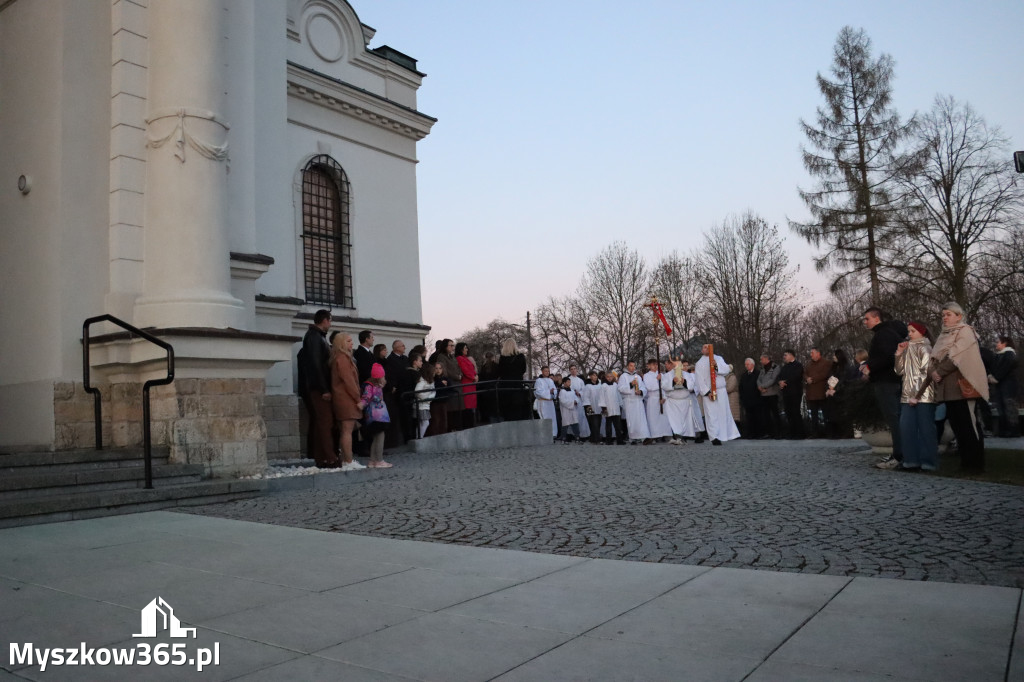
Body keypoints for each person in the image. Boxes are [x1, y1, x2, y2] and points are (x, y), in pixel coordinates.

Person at [918, 302, 989, 472]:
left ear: (959, 316)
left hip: (963, 385)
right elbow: (935, 357)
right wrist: (933, 371)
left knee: (968, 425)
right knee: (957, 426)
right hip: (947, 388)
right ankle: (965, 462)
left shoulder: (965, 331)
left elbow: (957, 355)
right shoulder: (944, 335)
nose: (945, 317)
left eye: (949, 314)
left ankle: (975, 463)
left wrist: (939, 371)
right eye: (943, 315)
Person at [862, 307, 909, 468]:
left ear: (877, 318)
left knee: (894, 419)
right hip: (894, 380)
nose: (865, 322)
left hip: (886, 381)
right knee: (897, 418)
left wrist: (870, 367)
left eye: (867, 318)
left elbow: (888, 356)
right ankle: (902, 453)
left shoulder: (883, 334)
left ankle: (899, 456)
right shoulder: (891, 333)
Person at [297, 309, 339, 468]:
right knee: (324, 422)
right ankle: (329, 457)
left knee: (321, 422)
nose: (331, 323)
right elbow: (315, 365)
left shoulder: (316, 337)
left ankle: (321, 457)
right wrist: (324, 389)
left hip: (317, 386)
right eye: (330, 320)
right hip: (317, 388)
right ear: (325, 320)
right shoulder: (314, 337)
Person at [895, 322, 937, 472]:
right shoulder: (908, 349)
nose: (910, 334)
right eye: (909, 331)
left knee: (926, 429)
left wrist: (917, 396)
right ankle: (911, 461)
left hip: (923, 396)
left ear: (922, 332)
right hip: (907, 396)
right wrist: (899, 354)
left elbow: (926, 374)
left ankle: (928, 463)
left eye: (913, 331)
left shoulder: (925, 348)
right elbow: (899, 371)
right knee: (906, 428)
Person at [329, 333, 366, 471]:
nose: (352, 343)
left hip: (343, 398)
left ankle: (346, 459)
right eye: (349, 341)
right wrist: (358, 399)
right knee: (347, 431)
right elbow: (349, 381)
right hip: (346, 399)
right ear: (341, 343)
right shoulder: (343, 359)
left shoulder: (339, 357)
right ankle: (348, 461)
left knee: (345, 430)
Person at [693, 345, 740, 445]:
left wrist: (716, 366)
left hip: (721, 390)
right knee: (711, 415)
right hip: (709, 392)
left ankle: (726, 434)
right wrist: (706, 392)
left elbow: (726, 369)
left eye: (707, 347)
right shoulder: (699, 363)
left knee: (723, 412)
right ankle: (714, 436)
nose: (706, 349)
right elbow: (699, 380)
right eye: (704, 348)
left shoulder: (718, 358)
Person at [360, 363, 393, 468]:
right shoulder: (371, 386)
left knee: (376, 438)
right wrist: (360, 405)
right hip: (378, 416)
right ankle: (379, 460)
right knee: (380, 437)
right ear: (379, 377)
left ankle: (372, 460)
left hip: (373, 416)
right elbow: (366, 398)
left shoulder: (372, 385)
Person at [990, 336, 1020, 437]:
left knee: (1009, 406)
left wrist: (996, 377)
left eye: (998, 342)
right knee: (1001, 407)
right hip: (1001, 384)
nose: (996, 344)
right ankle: (1004, 430)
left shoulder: (1009, 354)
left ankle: (1013, 430)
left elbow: (1006, 367)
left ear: (1005, 343)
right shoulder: (1000, 355)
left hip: (1008, 385)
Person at [663, 358, 696, 444]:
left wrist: (684, 382)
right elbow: (664, 386)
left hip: (684, 400)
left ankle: (683, 437)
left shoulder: (687, 375)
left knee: (684, 420)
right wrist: (673, 382)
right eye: (675, 365)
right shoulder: (667, 375)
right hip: (673, 401)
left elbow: (692, 386)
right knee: (675, 420)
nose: (677, 367)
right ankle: (677, 436)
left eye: (679, 365)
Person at [383, 340, 409, 447]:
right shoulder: (390, 360)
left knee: (407, 416)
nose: (404, 347)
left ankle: (407, 437)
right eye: (403, 346)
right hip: (397, 392)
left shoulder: (405, 358)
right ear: (396, 347)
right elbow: (390, 375)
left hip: (407, 391)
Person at [618, 361, 650, 444]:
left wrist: (641, 391)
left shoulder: (638, 377)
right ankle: (633, 438)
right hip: (629, 401)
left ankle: (643, 437)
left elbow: (644, 387)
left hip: (638, 401)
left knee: (641, 420)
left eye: (634, 366)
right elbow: (620, 388)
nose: (633, 368)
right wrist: (631, 384)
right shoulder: (623, 376)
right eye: (631, 366)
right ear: (627, 366)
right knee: (631, 420)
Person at [643, 359, 673, 443]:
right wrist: (657, 380)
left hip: (662, 398)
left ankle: (666, 434)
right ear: (648, 366)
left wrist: (664, 397)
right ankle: (654, 435)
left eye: (656, 364)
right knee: (653, 418)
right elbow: (649, 387)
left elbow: (665, 387)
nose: (655, 366)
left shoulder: (662, 375)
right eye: (653, 365)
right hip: (653, 398)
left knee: (664, 418)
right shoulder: (646, 375)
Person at [498, 338, 528, 421]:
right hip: (517, 386)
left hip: (505, 387)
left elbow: (500, 371)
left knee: (507, 412)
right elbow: (523, 369)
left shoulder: (502, 358)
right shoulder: (520, 356)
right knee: (518, 410)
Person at [778, 350, 805, 440]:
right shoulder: (784, 367)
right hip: (786, 393)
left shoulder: (798, 365)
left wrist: (785, 382)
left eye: (785, 355)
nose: (784, 357)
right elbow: (780, 376)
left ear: (791, 355)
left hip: (795, 392)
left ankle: (800, 433)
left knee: (795, 412)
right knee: (788, 413)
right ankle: (792, 432)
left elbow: (796, 376)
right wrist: (780, 382)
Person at [436, 339, 463, 431]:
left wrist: (460, 375)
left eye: (453, 345)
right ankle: (451, 428)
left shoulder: (452, 356)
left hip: (458, 383)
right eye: (450, 345)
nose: (452, 347)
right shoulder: (441, 356)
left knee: (458, 408)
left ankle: (457, 427)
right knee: (451, 408)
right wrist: (456, 376)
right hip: (450, 384)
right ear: (445, 346)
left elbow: (458, 367)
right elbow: (445, 370)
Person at [757, 354, 783, 439]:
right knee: (766, 415)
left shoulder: (775, 367)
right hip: (764, 394)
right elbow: (758, 379)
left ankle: (779, 433)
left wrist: (763, 386)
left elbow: (773, 379)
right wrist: (760, 387)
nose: (760, 361)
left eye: (761, 359)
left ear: (766, 359)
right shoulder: (762, 369)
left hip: (772, 394)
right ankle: (769, 432)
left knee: (775, 414)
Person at [455, 342, 478, 429]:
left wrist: (476, 375)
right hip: (467, 384)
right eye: (465, 348)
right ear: (461, 349)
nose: (467, 349)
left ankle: (471, 425)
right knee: (468, 407)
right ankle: (468, 426)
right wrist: (473, 377)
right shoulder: (459, 358)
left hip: (471, 384)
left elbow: (472, 368)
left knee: (471, 406)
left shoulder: (465, 358)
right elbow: (465, 370)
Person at [600, 370, 625, 444]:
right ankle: (608, 440)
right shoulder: (603, 386)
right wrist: (603, 408)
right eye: (608, 377)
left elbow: (618, 396)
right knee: (608, 425)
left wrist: (620, 404)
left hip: (616, 408)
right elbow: (602, 397)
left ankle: (619, 440)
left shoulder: (615, 385)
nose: (609, 378)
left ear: (613, 377)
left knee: (618, 425)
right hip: (607, 408)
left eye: (611, 376)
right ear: (605, 377)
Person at [738, 358, 761, 438]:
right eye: (745, 364)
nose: (746, 366)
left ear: (752, 365)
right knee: (749, 417)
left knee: (757, 417)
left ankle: (758, 434)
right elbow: (740, 387)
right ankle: (750, 433)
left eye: (748, 364)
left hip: (756, 400)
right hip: (747, 400)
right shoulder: (744, 375)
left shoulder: (758, 373)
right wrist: (742, 397)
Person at [567, 365, 591, 440]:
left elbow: (584, 390)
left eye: (574, 369)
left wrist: (579, 393)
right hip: (571, 401)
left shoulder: (580, 380)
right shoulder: (568, 379)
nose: (573, 370)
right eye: (571, 369)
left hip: (579, 400)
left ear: (577, 370)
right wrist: (573, 392)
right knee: (572, 417)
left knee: (581, 417)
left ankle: (583, 434)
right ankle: (572, 434)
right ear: (570, 371)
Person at [427, 361, 450, 436]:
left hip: (443, 401)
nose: (438, 370)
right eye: (436, 368)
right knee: (435, 421)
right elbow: (431, 387)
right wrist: (441, 384)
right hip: (435, 402)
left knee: (444, 420)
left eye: (440, 368)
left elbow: (450, 387)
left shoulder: (446, 378)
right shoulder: (432, 378)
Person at [534, 366, 558, 438]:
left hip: (550, 403)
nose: (547, 372)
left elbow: (555, 389)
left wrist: (554, 392)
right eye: (545, 371)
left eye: (548, 371)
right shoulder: (539, 381)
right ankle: (545, 435)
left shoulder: (550, 380)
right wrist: (549, 392)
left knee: (552, 418)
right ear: (542, 372)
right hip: (543, 402)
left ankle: (553, 434)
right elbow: (538, 391)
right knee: (544, 418)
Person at [413, 363, 435, 438]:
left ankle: (418, 437)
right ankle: (419, 437)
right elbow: (417, 392)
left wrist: (429, 398)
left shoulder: (431, 381)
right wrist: (426, 398)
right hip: (421, 405)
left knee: (422, 423)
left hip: (425, 405)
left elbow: (433, 392)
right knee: (425, 423)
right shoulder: (422, 381)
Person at [478, 351, 500, 424]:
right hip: (494, 389)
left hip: (486, 389)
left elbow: (481, 378)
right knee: (495, 407)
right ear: (493, 357)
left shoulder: (483, 367)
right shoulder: (496, 366)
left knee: (488, 407)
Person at [582, 371, 604, 443]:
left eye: (595, 375)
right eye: (593, 375)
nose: (595, 377)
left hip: (599, 407)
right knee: (593, 423)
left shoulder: (600, 385)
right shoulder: (587, 386)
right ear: (590, 376)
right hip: (590, 407)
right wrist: (588, 407)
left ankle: (594, 438)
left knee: (599, 423)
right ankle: (596, 439)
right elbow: (586, 397)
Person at [558, 376, 581, 442]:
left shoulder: (572, 391)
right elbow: (562, 401)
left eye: (570, 381)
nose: (569, 383)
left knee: (575, 423)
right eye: (568, 382)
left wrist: (576, 401)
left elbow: (576, 398)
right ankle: (563, 438)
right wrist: (572, 403)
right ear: (564, 383)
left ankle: (577, 437)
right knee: (565, 424)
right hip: (566, 410)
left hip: (573, 410)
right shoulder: (562, 391)